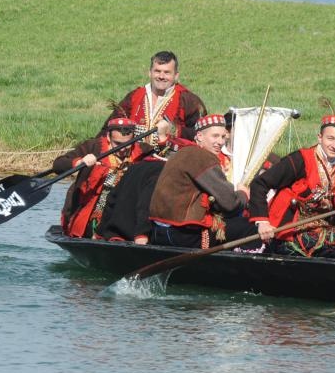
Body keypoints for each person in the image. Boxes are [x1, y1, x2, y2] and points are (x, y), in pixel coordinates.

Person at [248, 115, 335, 259]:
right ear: (319, 137)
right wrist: (263, 222)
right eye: (330, 138)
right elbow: (260, 183)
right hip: (289, 231)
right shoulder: (300, 159)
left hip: (322, 227)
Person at [149, 114, 258, 249]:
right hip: (183, 234)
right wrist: (243, 194)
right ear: (200, 136)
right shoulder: (203, 157)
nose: (220, 141)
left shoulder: (182, 153)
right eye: (215, 136)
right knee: (250, 227)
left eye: (223, 137)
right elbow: (230, 203)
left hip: (158, 231)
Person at [53, 118, 156, 239]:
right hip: (93, 213)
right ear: (108, 137)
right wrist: (80, 162)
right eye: (117, 144)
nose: (122, 149)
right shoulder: (93, 146)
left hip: (127, 214)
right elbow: (58, 164)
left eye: (127, 144)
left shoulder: (143, 151)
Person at [103, 50, 207, 144]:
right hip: (133, 158)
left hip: (171, 160)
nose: (161, 76)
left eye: (167, 72)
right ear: (150, 73)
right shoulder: (134, 96)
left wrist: (174, 130)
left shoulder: (189, 100)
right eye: (157, 71)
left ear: (176, 75)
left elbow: (203, 135)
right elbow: (110, 128)